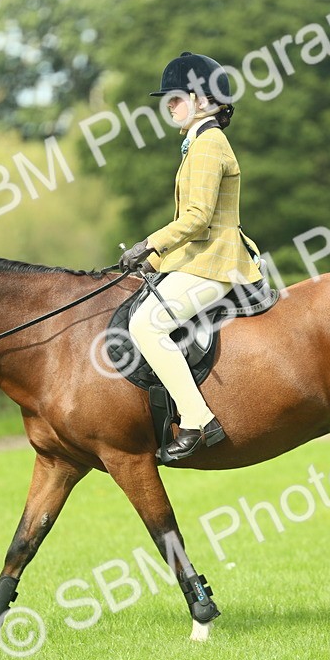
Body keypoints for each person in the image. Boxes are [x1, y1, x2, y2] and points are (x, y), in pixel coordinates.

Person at [118, 51, 263, 462]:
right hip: (199, 259)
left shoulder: (207, 145)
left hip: (215, 264)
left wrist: (150, 244)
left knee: (147, 325)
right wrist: (156, 261)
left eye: (176, 98)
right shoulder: (198, 142)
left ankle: (199, 421)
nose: (169, 106)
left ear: (202, 98)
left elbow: (197, 218)